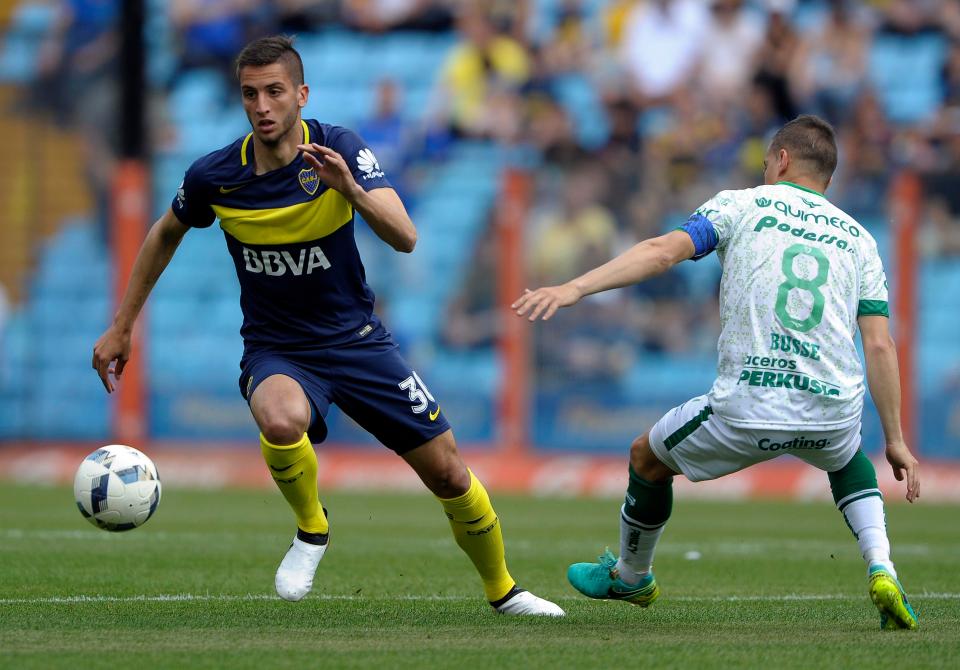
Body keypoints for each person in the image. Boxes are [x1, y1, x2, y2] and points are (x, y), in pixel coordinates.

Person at [92, 35, 562, 617]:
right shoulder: (216, 175)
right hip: (278, 349)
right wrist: (122, 325)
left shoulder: (337, 148)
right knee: (280, 416)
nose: (261, 106)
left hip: (358, 341)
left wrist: (351, 190)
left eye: (274, 92)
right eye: (249, 94)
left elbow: (406, 237)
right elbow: (165, 232)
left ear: (301, 95)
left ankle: (504, 591)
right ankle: (312, 530)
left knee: (448, 472)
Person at [513, 115, 920, 630]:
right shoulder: (859, 238)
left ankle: (631, 576)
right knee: (846, 460)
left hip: (751, 403)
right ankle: (882, 567)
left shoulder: (741, 203)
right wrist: (897, 439)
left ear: (782, 160)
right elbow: (880, 344)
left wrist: (573, 288)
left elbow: (663, 253)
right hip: (833, 406)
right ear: (828, 180)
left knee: (647, 458)